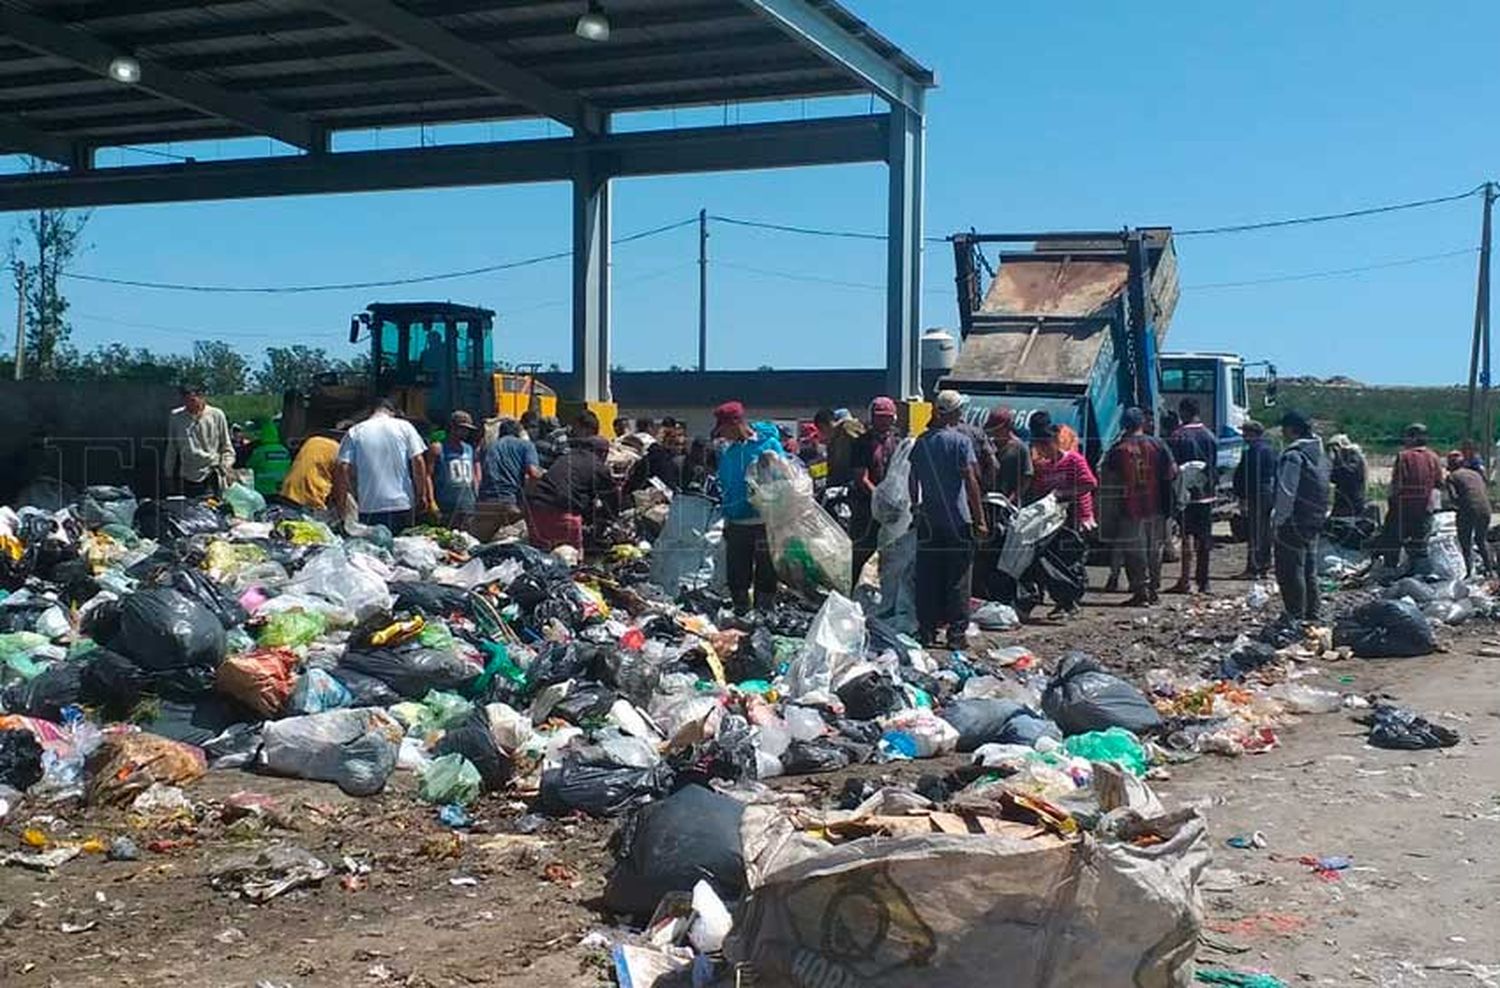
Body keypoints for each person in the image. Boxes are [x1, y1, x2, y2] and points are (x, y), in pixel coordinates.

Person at [910, 390, 986, 649]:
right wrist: (980, 519)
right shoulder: (960, 442)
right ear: (953, 413)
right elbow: (971, 481)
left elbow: (913, 478)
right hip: (957, 519)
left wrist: (914, 506)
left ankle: (927, 631)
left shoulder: (921, 442)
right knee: (959, 578)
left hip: (929, 520)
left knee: (928, 576)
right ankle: (956, 635)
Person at [1100, 407, 1177, 606]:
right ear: (1142, 423)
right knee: (1154, 550)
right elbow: (1172, 472)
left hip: (1129, 509)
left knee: (1134, 551)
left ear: (1124, 425)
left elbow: (1106, 479)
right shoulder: (1158, 445)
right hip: (1157, 506)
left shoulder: (1118, 449)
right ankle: (1154, 590)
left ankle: (1140, 591)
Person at [714, 400, 785, 614]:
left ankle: (765, 613)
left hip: (764, 520)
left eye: (724, 429)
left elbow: (784, 478)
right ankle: (741, 611)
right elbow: (724, 483)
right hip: (736, 522)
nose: (722, 435)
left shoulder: (768, 445)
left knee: (766, 569)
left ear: (736, 423)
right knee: (737, 570)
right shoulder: (730, 452)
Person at [527, 410, 619, 552]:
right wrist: (613, 520)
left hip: (535, 509)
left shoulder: (568, 456)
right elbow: (612, 498)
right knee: (575, 559)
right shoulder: (598, 466)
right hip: (561, 513)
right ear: (602, 452)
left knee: (541, 554)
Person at [335, 398, 432, 531]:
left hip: (368, 506)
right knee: (403, 548)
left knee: (373, 550)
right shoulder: (404, 427)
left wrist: (342, 502)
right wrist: (422, 495)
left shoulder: (355, 431)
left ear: (371, 412)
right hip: (402, 504)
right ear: (392, 412)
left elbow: (342, 468)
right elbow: (418, 461)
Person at [1270, 410, 1329, 624]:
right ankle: (1312, 614)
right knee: (1309, 570)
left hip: (1293, 521)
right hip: (1314, 519)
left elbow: (1287, 492)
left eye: (1284, 429)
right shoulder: (1320, 455)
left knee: (1289, 569)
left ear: (1292, 430)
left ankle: (1295, 615)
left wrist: (1278, 520)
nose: (1282, 433)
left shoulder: (1294, 455)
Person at [1166, 398, 1218, 594]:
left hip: (1185, 495)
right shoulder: (1210, 436)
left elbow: (1172, 469)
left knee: (1185, 536)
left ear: (1183, 412)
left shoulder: (1178, 435)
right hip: (1206, 494)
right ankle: (1204, 582)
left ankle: (1185, 580)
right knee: (1204, 539)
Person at [849, 396, 902, 582]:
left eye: (887, 417)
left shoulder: (898, 442)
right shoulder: (861, 443)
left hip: (894, 509)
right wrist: (880, 499)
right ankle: (856, 595)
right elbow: (861, 478)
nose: (883, 421)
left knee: (893, 555)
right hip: (866, 507)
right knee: (862, 553)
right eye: (879, 417)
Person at [1380, 423, 1443, 570]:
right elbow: (1439, 483)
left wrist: (1392, 503)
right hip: (1424, 509)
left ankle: (1390, 571)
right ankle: (1418, 573)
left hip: (1404, 506)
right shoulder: (1434, 457)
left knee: (1391, 540)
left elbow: (1398, 483)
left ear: (1413, 438)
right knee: (1419, 544)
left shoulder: (1404, 456)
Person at [165, 384, 235, 498]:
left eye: (193, 400)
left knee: (211, 509)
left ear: (202, 397)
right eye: (186, 400)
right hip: (187, 474)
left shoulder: (216, 415)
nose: (190, 405)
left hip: (211, 473)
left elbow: (227, 447)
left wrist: (226, 467)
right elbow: (172, 448)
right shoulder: (176, 416)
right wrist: (168, 474)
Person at [1232, 420, 1279, 579]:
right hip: (1268, 492)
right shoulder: (1270, 450)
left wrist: (1242, 495)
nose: (1244, 436)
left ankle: (1253, 568)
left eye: (1246, 432)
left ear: (1253, 434)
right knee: (1265, 531)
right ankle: (1265, 565)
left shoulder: (1252, 451)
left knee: (1254, 532)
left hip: (1256, 493)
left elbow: (1247, 476)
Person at [429, 410, 481, 530]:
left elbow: (473, 474)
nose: (465, 432)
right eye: (462, 429)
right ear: (452, 427)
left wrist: (476, 494)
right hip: (446, 505)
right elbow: (428, 476)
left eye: (468, 430)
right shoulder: (438, 448)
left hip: (467, 504)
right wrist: (431, 501)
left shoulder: (469, 449)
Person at [1445, 450, 1493, 577]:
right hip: (1486, 509)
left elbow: (1453, 497)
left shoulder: (1452, 477)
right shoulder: (1475, 474)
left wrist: (1453, 507)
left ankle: (1469, 572)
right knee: (1481, 540)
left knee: (1465, 540)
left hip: (1468, 509)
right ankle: (1490, 570)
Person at [281, 428, 344, 512]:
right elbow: (340, 487)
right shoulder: (337, 449)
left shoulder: (312, 441)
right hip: (312, 499)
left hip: (287, 493)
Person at [984, 406, 1032, 503]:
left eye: (997, 430)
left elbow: (1027, 476)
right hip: (990, 499)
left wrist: (1014, 498)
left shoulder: (1020, 448)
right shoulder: (989, 446)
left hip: (1009, 501)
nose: (994, 433)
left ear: (1007, 427)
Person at [1325, 434, 1368, 520]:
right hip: (1343, 500)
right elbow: (1333, 478)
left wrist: (1337, 456)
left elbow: (1346, 474)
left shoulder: (1354, 456)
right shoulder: (1346, 458)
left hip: (1352, 501)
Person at [246, 419, 293, 497]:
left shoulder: (259, 451)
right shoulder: (284, 450)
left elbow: (249, 466)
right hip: (282, 488)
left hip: (264, 488)